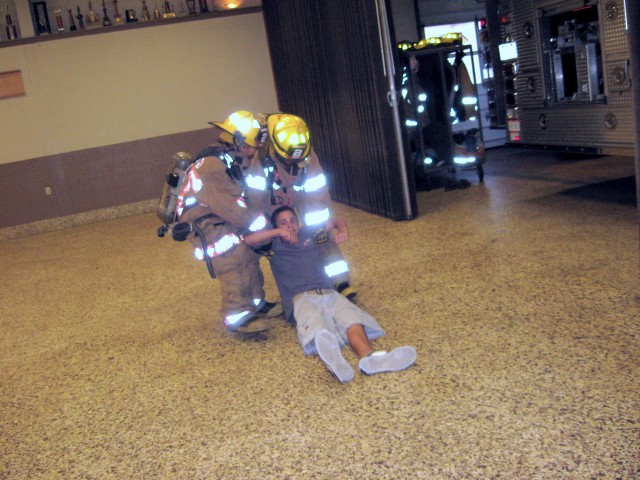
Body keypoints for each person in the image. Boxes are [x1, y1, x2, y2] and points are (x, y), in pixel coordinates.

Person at [242, 206, 417, 383]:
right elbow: (247, 240)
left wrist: (342, 229)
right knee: (318, 325)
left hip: (329, 293)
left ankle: (370, 357)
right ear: (276, 226)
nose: (290, 225)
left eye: (293, 220)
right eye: (283, 222)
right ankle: (335, 361)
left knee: (352, 319)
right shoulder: (273, 245)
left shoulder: (308, 233)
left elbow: (335, 220)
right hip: (301, 298)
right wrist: (277, 232)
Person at [175, 111, 283, 334]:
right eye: (252, 144)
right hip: (204, 221)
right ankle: (236, 314)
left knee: (250, 253)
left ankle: (256, 303)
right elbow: (237, 213)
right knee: (233, 256)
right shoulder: (212, 167)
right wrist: (264, 228)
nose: (255, 150)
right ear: (238, 141)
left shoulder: (233, 158)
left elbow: (243, 203)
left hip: (221, 213)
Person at [247, 113, 358, 308]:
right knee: (261, 248)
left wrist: (319, 225)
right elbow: (255, 200)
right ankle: (256, 301)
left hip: (301, 195)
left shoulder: (308, 154)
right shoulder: (261, 160)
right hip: (272, 199)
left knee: (320, 234)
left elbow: (317, 191)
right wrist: (265, 231)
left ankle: (340, 282)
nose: (293, 158)